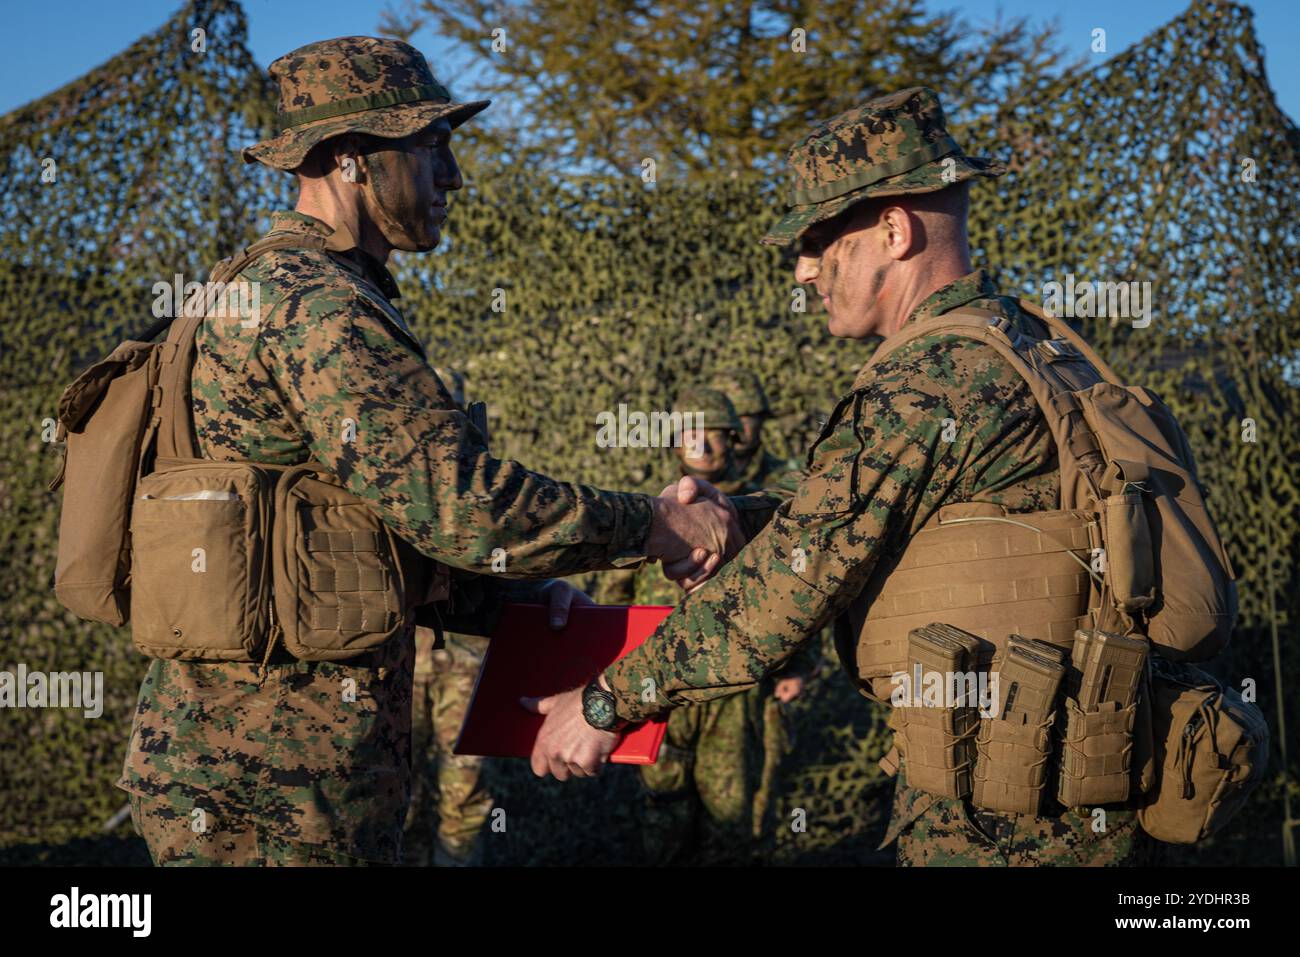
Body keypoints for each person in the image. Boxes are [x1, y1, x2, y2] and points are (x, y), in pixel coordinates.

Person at [118, 36, 742, 866]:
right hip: (284, 778)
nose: (453, 177)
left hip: (234, 759)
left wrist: (513, 599)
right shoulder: (318, 306)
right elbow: (460, 505)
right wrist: (657, 523)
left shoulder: (251, 289)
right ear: (349, 160)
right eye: (431, 147)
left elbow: (346, 530)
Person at [527, 87, 1156, 866]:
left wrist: (604, 703)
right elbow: (848, 513)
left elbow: (787, 589)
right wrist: (729, 516)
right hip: (1073, 777)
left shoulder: (933, 376)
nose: (801, 270)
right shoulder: (1024, 342)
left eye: (820, 239)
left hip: (1006, 817)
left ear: (893, 229)